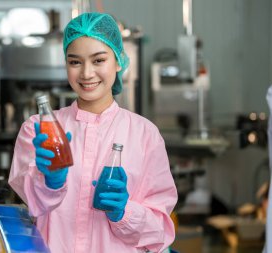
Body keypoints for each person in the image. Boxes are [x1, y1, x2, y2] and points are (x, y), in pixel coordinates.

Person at [9, 12, 178, 253]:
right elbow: (32, 202)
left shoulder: (145, 135)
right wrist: (49, 182)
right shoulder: (39, 129)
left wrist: (124, 212)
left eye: (99, 60)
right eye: (75, 62)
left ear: (118, 61)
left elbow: (159, 233)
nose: (86, 73)